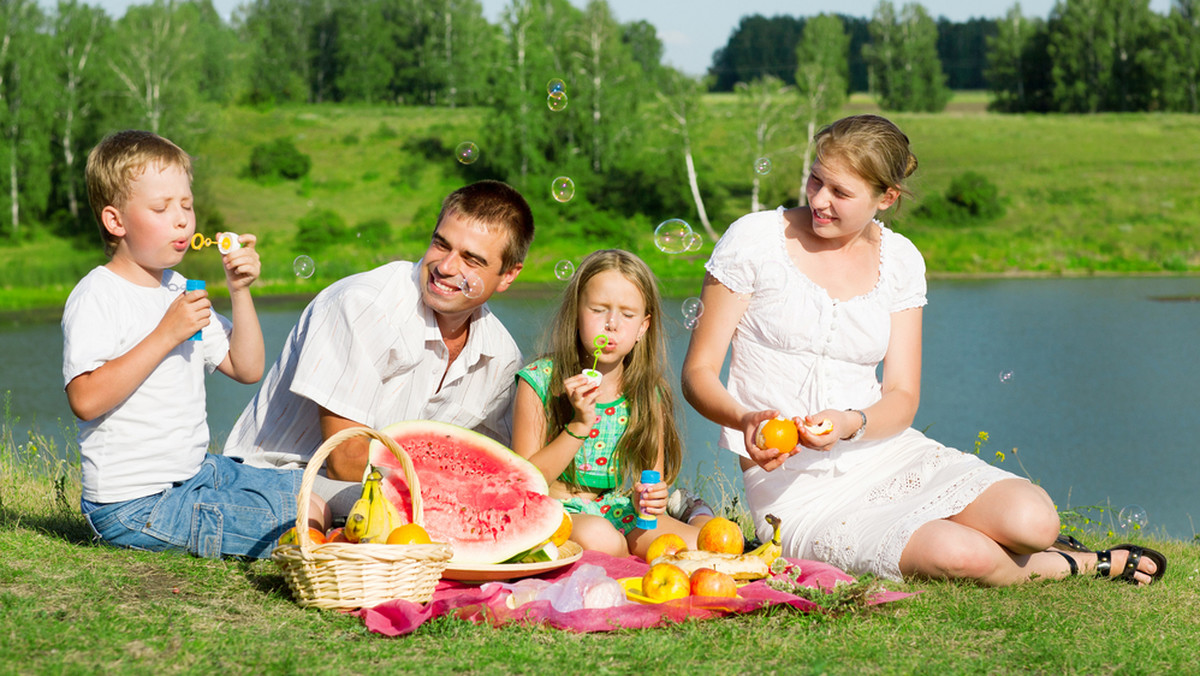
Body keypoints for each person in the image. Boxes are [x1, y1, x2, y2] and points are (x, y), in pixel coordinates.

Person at [680, 114, 1166, 586]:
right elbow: (698, 373)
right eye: (815, 180)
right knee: (962, 555)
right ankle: (1081, 564)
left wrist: (851, 423)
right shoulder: (755, 240)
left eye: (840, 192)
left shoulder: (901, 261)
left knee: (1034, 520)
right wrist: (746, 420)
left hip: (888, 456)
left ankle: (1039, 545)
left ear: (886, 197)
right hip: (795, 492)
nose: (819, 201)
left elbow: (902, 396)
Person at [63, 130, 327, 559]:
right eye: (161, 208)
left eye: (186, 205)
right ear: (116, 221)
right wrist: (166, 334)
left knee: (315, 488)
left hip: (193, 473)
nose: (182, 219)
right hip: (134, 504)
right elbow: (86, 399)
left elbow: (247, 368)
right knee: (303, 516)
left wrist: (239, 290)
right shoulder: (98, 294)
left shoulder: (181, 289)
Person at [223, 180, 534, 516]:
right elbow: (345, 460)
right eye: (441, 245)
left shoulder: (502, 356)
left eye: (471, 260)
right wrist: (451, 495)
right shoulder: (361, 305)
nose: (445, 267)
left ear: (508, 275)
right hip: (278, 477)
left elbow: (492, 465)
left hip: (394, 490)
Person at [511, 249, 713, 559]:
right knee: (602, 540)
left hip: (621, 510)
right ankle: (684, 514)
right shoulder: (539, 381)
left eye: (627, 315)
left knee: (708, 544)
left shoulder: (647, 392)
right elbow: (525, 484)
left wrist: (652, 498)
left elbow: (649, 482)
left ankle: (693, 511)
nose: (612, 324)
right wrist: (578, 425)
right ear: (576, 313)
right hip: (559, 512)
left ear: (642, 328)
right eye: (598, 309)